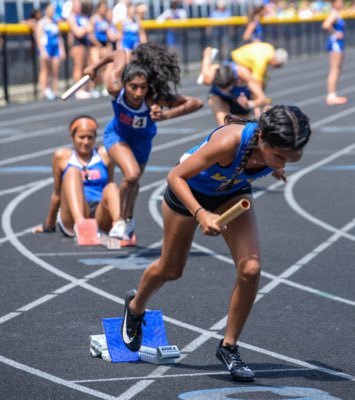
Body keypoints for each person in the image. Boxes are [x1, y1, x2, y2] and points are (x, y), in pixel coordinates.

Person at [120, 105, 312, 382]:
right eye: (278, 156)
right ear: (260, 139)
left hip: (232, 193)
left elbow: (276, 157)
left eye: (291, 158)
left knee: (251, 269)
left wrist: (272, 167)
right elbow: (175, 176)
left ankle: (229, 347)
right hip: (188, 194)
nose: (283, 162)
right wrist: (200, 213)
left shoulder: (275, 152)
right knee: (171, 269)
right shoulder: (229, 142)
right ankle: (136, 306)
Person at [83, 43, 203, 241]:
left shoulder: (153, 99)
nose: (138, 93)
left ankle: (128, 219)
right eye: (133, 87)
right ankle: (119, 219)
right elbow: (119, 53)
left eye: (143, 87)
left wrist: (167, 115)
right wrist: (94, 67)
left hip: (142, 141)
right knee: (132, 175)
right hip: (117, 136)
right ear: (124, 83)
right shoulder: (115, 87)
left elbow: (196, 103)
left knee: (134, 182)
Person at [34, 115, 124, 239]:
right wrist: (48, 225)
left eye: (90, 138)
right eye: (81, 137)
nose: (86, 142)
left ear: (95, 138)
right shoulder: (62, 157)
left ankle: (120, 227)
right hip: (72, 214)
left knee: (113, 187)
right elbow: (57, 194)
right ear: (72, 137)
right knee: (72, 172)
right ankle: (82, 225)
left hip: (100, 212)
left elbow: (109, 187)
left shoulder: (105, 154)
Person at [200, 46, 272, 125]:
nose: (225, 91)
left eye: (227, 88)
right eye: (221, 88)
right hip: (219, 97)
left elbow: (263, 99)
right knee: (224, 125)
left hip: (240, 99)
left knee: (241, 128)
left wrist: (249, 104)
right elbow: (207, 57)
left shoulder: (244, 74)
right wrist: (208, 52)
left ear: (236, 80)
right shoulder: (208, 77)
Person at [36, 3, 65, 100]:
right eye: (50, 10)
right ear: (46, 10)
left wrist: (62, 49)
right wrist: (43, 51)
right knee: (45, 70)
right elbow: (39, 38)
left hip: (55, 48)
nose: (52, 12)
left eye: (53, 10)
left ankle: (55, 90)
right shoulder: (41, 23)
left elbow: (59, 37)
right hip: (46, 48)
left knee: (55, 70)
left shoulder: (55, 22)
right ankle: (44, 90)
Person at [322, 0, 348, 105]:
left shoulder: (337, 13)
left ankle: (333, 94)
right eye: (340, 1)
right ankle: (331, 96)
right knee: (334, 69)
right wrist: (335, 32)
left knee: (338, 69)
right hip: (335, 44)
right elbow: (326, 24)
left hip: (339, 44)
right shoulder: (334, 13)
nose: (342, 3)